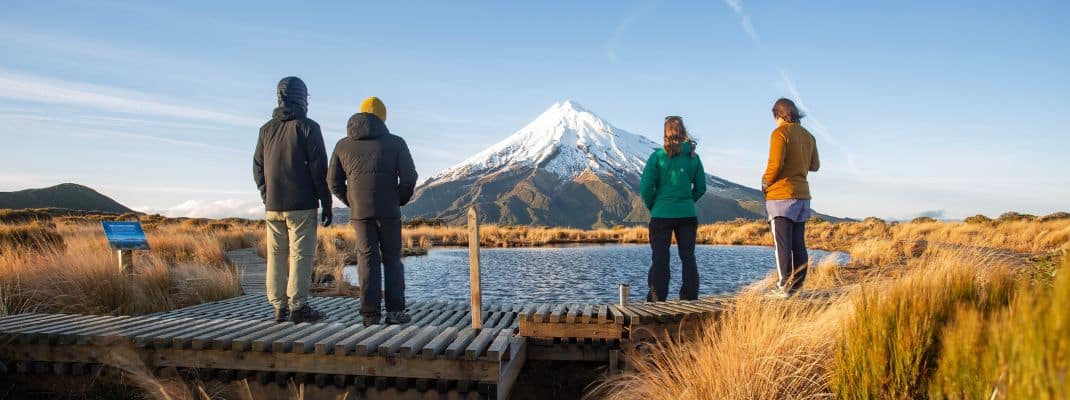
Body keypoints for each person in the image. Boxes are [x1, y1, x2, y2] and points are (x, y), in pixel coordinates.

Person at [328, 97, 418, 326]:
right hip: (389, 210)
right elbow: (409, 178)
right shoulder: (396, 143)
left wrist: (352, 201)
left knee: (366, 260)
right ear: (383, 117)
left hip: (360, 213)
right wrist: (398, 200)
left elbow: (333, 182)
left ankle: (369, 314)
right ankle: (395, 312)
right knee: (392, 260)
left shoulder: (342, 145)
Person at [253, 76, 333, 323]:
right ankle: (298, 307)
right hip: (302, 205)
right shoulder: (308, 127)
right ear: (303, 98)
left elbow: (257, 167)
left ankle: (278, 308)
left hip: (273, 206)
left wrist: (267, 194)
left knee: (276, 256)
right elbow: (320, 170)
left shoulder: (266, 129)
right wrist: (326, 202)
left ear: (279, 97)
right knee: (301, 255)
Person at [639, 116, 707, 302]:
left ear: (665, 133)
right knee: (688, 258)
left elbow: (645, 187)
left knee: (660, 259)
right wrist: (687, 201)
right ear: (683, 132)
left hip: (661, 214)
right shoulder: (693, 157)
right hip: (687, 215)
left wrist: (654, 205)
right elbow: (701, 187)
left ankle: (657, 298)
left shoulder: (658, 157)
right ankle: (690, 297)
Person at [761, 98, 820, 298]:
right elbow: (815, 166)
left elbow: (775, 164)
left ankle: (782, 287)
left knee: (782, 244)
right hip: (803, 196)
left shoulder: (780, 133)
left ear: (778, 115)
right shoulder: (809, 136)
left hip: (781, 196)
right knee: (798, 243)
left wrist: (765, 182)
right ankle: (797, 287)